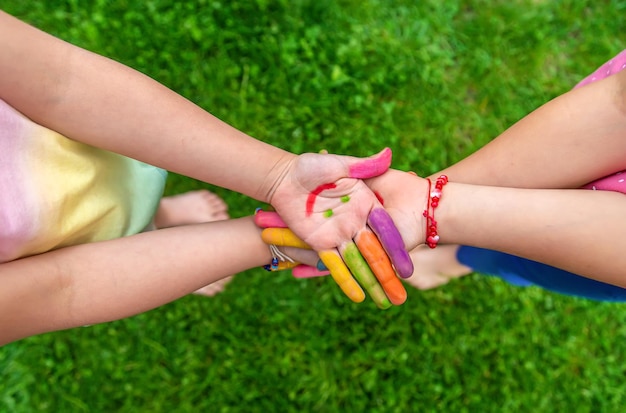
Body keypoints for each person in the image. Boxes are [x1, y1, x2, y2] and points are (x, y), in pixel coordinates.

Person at [0, 9, 405, 345]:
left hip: (77, 144)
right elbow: (63, 286)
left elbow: (62, 82)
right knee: (118, 230)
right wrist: (271, 241)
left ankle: (162, 213)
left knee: (130, 185)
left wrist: (278, 176)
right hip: (60, 244)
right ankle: (155, 231)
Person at [259, 49, 626, 302]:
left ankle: (457, 260)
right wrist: (427, 198)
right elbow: (618, 108)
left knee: (531, 260)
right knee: (503, 221)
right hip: (597, 136)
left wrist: (432, 210)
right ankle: (453, 249)